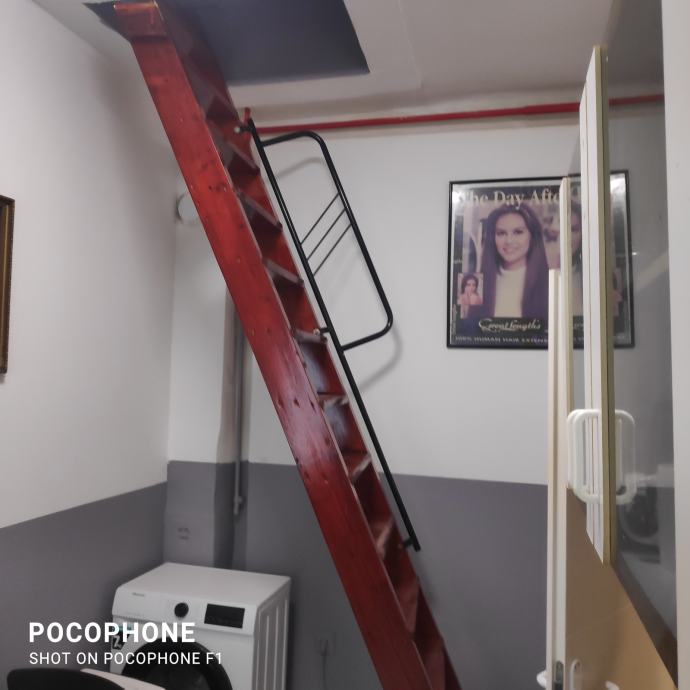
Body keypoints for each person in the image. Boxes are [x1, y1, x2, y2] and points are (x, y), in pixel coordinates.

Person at [468, 202, 549, 321]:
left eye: (518, 232)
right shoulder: (477, 284)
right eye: (501, 233)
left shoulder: (550, 282)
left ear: (532, 236)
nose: (509, 241)